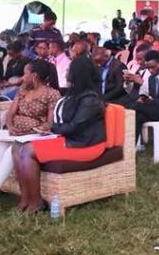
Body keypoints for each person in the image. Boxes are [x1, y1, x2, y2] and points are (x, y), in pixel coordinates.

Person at [13, 57, 107, 212]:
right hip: (72, 139)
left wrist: (50, 127)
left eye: (70, 69)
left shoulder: (90, 99)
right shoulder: (76, 93)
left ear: (78, 73)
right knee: (17, 147)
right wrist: (50, 127)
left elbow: (74, 127)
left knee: (28, 150)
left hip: (86, 145)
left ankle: (36, 203)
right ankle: (25, 197)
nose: (67, 72)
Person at [0, 59, 61, 213]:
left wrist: (30, 131)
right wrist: (11, 127)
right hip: (15, 133)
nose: (22, 77)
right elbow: (10, 114)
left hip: (35, 135)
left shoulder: (52, 94)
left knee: (10, 152)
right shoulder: (23, 89)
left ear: (34, 76)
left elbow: (49, 123)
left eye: (25, 74)